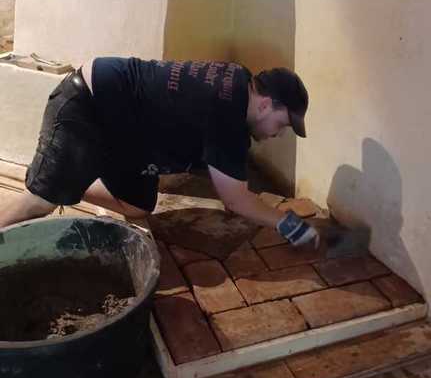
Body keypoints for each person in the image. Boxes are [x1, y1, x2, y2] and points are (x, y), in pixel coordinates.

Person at [0, 57, 319, 247]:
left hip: (124, 127)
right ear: (265, 105)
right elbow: (236, 200)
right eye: (282, 124)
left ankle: (69, 182)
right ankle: (56, 185)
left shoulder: (238, 79)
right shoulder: (229, 114)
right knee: (40, 201)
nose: (278, 134)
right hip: (88, 102)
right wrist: (288, 224)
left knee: (136, 205)